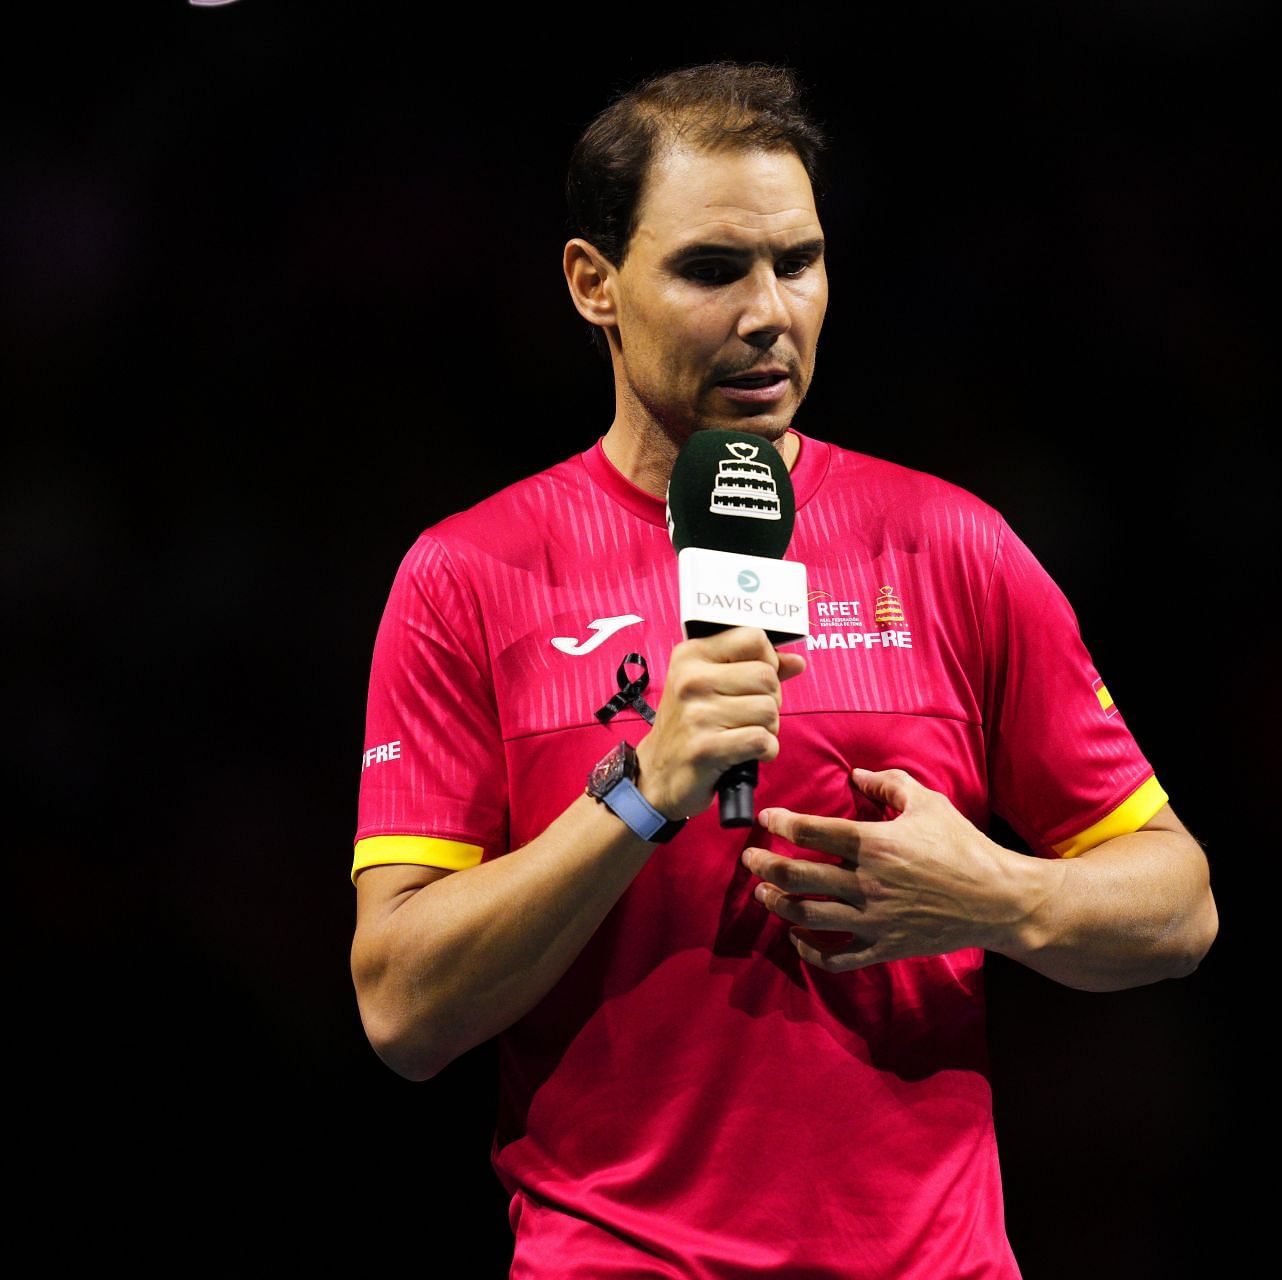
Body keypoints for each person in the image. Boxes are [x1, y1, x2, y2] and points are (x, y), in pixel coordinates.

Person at [348, 61, 1217, 1279]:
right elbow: (401, 1009)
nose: (770, 312)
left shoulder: (949, 542)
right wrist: (642, 787)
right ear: (593, 284)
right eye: (713, 269)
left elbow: (1179, 904)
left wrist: (1000, 896)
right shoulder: (468, 577)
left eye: (797, 263)